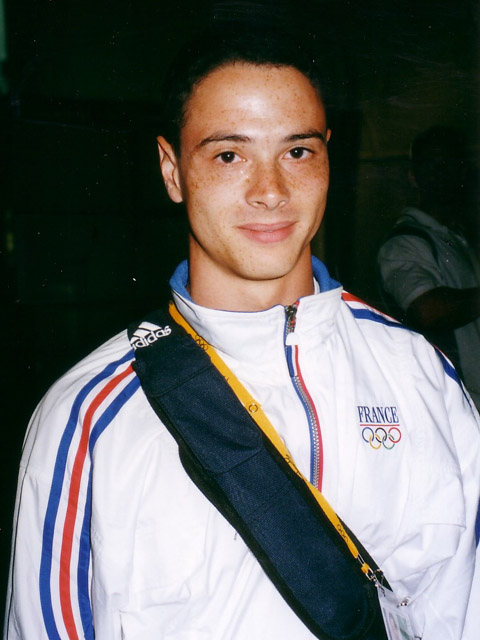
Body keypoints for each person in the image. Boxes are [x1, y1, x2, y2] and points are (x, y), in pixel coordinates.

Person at [4, 25, 480, 640]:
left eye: (298, 152)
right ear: (172, 171)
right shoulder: (89, 415)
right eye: (229, 155)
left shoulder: (418, 374)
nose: (271, 192)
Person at [377, 126, 480, 410]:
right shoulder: (404, 243)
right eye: (432, 165)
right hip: (450, 407)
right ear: (413, 176)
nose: (441, 174)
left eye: (449, 163)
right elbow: (427, 310)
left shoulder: (456, 237)